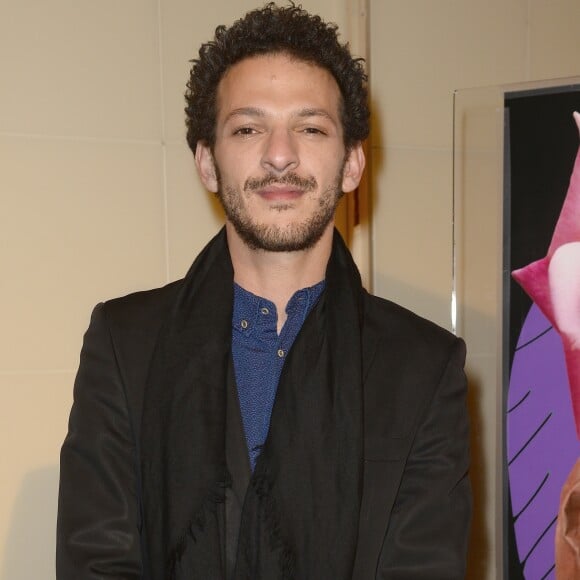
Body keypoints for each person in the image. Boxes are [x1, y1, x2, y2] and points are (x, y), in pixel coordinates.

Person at [56, 3, 471, 579]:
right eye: (248, 128)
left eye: (310, 127)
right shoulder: (124, 345)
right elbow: (96, 564)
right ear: (207, 162)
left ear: (351, 163)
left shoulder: (426, 367)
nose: (280, 155)